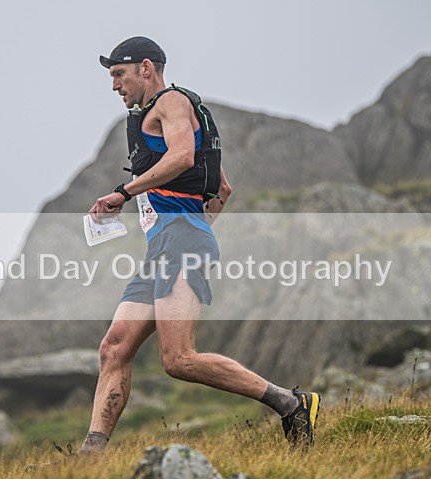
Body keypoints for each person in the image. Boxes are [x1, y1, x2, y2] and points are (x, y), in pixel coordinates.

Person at [81, 36, 319, 455]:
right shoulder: (161, 112)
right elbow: (223, 187)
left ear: (146, 68)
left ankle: (291, 404)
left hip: (180, 241)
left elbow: (183, 157)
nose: (114, 86)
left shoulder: (171, 103)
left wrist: (126, 193)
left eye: (119, 75)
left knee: (179, 360)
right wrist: (191, 226)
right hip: (168, 245)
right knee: (114, 347)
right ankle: (90, 454)